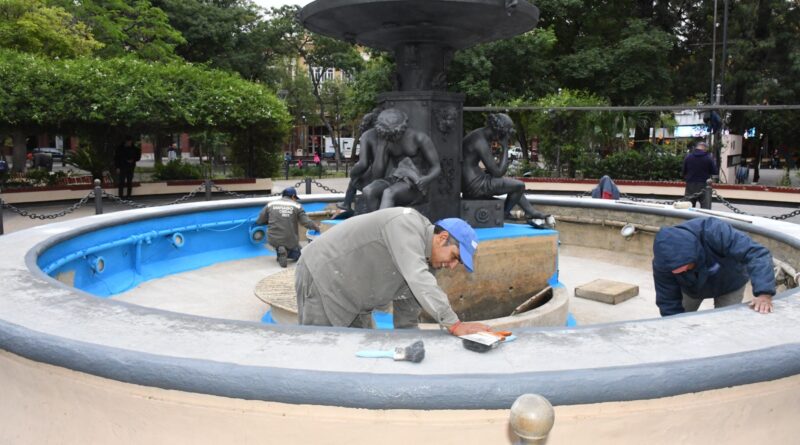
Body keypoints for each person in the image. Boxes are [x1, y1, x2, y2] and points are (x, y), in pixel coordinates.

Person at [294, 207, 493, 336]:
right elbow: (418, 278)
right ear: (442, 238)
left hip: (354, 298)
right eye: (455, 257)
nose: (452, 266)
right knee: (321, 351)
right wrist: (454, 324)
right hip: (324, 275)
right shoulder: (406, 224)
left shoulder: (426, 262)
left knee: (363, 355)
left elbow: (406, 322)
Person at [652, 217, 776, 317]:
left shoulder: (714, 230)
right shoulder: (662, 263)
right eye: (675, 270)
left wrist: (764, 293)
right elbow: (668, 300)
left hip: (731, 282)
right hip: (692, 287)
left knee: (726, 323)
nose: (681, 271)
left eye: (684, 266)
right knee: (677, 320)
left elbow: (757, 253)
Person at [461, 113, 552, 227]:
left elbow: (491, 169)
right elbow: (498, 173)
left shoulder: (478, 134)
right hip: (475, 185)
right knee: (519, 186)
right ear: (500, 131)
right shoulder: (480, 141)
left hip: (469, 182)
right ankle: (504, 214)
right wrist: (505, 147)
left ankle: (530, 211)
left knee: (513, 185)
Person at [361, 108, 442, 211]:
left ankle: (382, 221)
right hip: (395, 178)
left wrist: (427, 179)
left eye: (394, 134)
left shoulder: (419, 138)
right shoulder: (387, 139)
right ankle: (376, 220)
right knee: (368, 191)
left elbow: (436, 167)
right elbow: (377, 175)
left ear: (402, 128)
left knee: (389, 193)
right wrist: (381, 146)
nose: (391, 138)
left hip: (415, 183)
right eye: (388, 135)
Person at [255, 187, 320, 268]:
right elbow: (306, 222)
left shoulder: (270, 204)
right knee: (300, 255)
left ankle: (281, 250)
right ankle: (287, 252)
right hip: (290, 239)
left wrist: (269, 221)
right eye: (295, 198)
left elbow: (259, 220)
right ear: (292, 196)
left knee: (278, 242)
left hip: (273, 239)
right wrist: (316, 227)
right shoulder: (297, 206)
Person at [337, 108, 381, 211]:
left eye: (363, 123)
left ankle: (346, 204)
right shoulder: (385, 134)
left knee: (354, 179)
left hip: (375, 173)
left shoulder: (368, 135)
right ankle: (346, 203)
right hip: (385, 171)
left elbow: (363, 163)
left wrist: (353, 172)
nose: (362, 126)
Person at [682, 141, 716, 209]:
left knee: (688, 206)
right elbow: (714, 171)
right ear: (705, 149)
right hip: (704, 184)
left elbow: (683, 171)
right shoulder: (709, 158)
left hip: (690, 184)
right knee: (705, 208)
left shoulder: (688, 157)